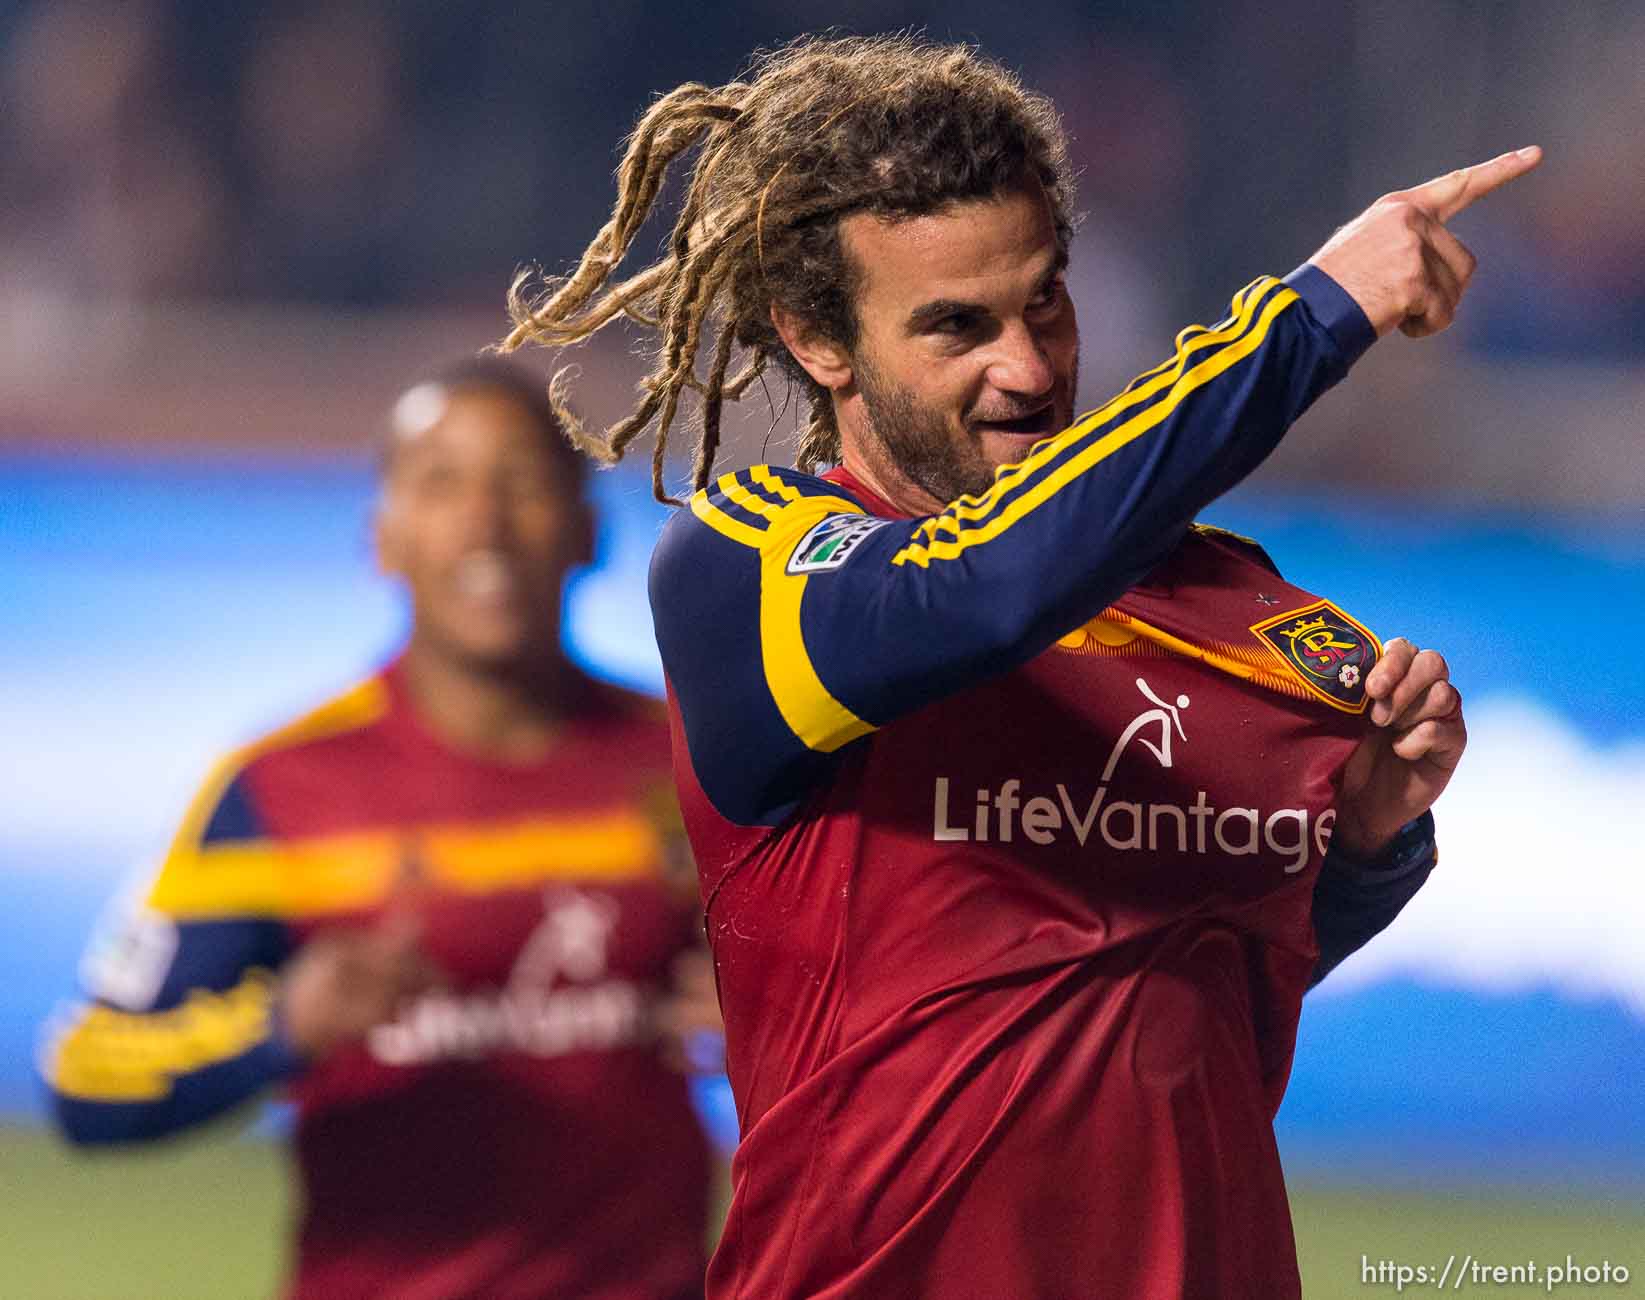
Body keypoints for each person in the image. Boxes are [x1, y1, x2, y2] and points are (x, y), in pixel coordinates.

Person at [499, 35, 1534, 1299]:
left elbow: (1200, 979)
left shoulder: (1244, 613)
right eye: (956, 327)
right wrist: (1315, 311)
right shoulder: (750, 572)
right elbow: (982, 588)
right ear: (819, 339)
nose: (1029, 369)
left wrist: (1370, 839)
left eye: (1044, 298)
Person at [40, 359, 719, 1300]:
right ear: (382, 539)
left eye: (520, 481)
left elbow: (844, 999)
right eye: (441, 482)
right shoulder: (281, 790)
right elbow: (86, 1079)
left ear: (589, 534)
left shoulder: (691, 762)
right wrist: (284, 1026)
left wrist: (765, 1017)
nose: (483, 520)